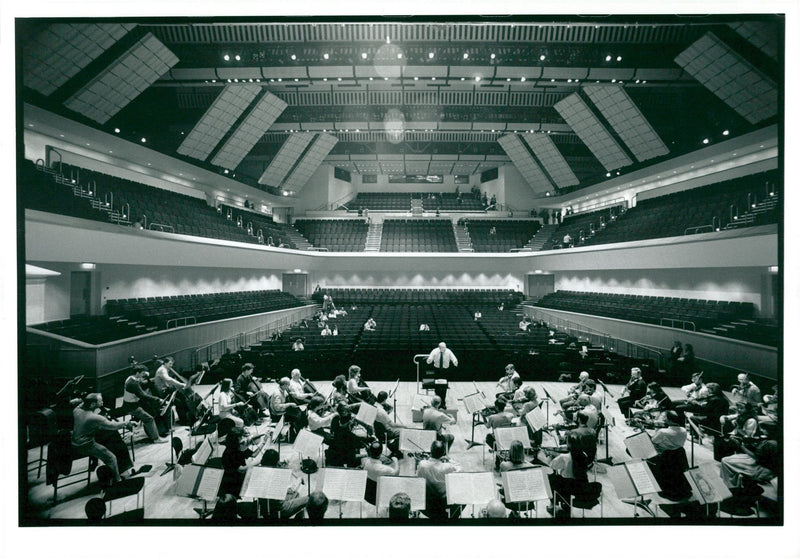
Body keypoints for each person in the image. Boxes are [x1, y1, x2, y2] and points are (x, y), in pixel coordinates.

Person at [71, 393, 137, 483]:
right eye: (100, 401)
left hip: (76, 441)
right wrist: (126, 423)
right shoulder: (93, 417)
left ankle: (121, 471)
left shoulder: (77, 410)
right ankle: (118, 480)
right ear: (93, 404)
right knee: (111, 458)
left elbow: (81, 403)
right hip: (86, 445)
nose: (102, 402)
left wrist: (81, 400)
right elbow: (112, 426)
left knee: (111, 438)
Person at [121, 365, 168, 443]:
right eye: (142, 373)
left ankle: (151, 433)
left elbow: (139, 384)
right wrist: (158, 399)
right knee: (149, 419)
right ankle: (156, 439)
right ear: (137, 373)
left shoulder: (130, 378)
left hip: (129, 404)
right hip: (132, 407)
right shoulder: (133, 383)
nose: (143, 375)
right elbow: (143, 395)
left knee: (149, 414)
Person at [416, 440, 461, 520]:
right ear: (443, 453)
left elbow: (418, 478)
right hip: (444, 501)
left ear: (430, 450)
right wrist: (449, 459)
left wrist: (426, 459)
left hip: (428, 501)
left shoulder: (422, 464)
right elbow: (460, 469)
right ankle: (453, 517)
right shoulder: (448, 467)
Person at [258, 449, 308, 519]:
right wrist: (298, 481)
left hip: (264, 508)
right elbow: (291, 488)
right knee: (308, 498)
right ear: (276, 462)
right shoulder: (276, 475)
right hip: (280, 510)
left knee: (296, 494)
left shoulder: (259, 472)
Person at [326, 403, 370, 468]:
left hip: (341, 442)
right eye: (344, 411)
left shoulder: (341, 418)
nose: (346, 412)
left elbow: (353, 418)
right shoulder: (338, 421)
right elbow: (358, 440)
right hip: (341, 447)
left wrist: (366, 425)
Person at [219, 426, 259, 498]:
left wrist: (264, 442)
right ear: (235, 439)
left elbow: (253, 454)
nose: (243, 439)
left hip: (237, 476)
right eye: (241, 437)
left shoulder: (238, 446)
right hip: (232, 482)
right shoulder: (230, 453)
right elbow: (242, 469)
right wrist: (257, 463)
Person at [362, 440, 400, 505]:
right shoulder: (384, 469)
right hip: (379, 497)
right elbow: (396, 473)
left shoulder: (364, 462)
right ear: (381, 452)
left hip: (368, 495)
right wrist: (396, 461)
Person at [426, 341, 458, 407]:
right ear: (439, 347)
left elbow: (453, 358)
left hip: (445, 371)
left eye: (445, 347)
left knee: (444, 387)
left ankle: (443, 402)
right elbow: (430, 358)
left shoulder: (448, 351)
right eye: (443, 347)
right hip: (437, 370)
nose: (445, 348)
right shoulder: (435, 351)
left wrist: (455, 361)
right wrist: (429, 360)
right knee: (437, 387)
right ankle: (437, 402)